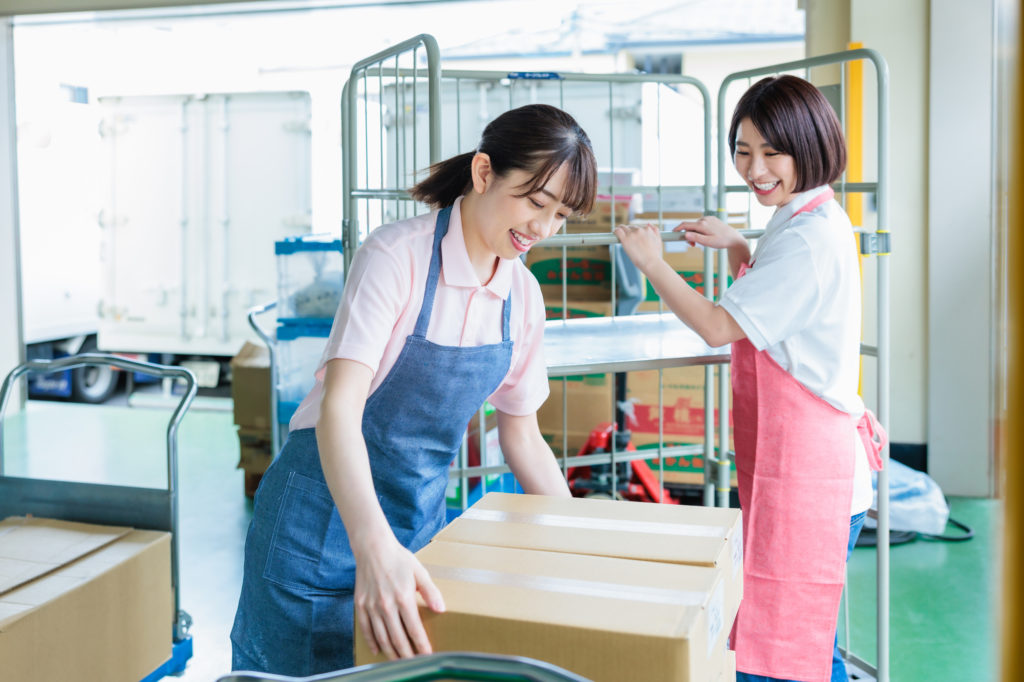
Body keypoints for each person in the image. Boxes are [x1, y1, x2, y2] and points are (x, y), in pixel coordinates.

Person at [230, 103, 597, 676]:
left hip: (416, 536)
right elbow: (340, 408)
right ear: (483, 174)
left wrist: (584, 546)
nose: (544, 229)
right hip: (316, 529)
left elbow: (521, 437)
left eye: (562, 216)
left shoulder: (522, 297)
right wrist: (371, 547)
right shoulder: (395, 256)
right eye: (536, 202)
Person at [614, 75, 887, 682]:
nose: (755, 168)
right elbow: (787, 308)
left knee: (782, 650)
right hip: (808, 465)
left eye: (772, 152)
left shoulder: (808, 239)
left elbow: (717, 326)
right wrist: (741, 245)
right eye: (743, 150)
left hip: (814, 475)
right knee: (804, 640)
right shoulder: (807, 215)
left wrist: (654, 262)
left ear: (810, 146)